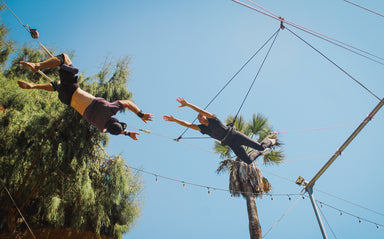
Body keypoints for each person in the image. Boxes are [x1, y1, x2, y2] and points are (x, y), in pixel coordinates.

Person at [17, 53, 153, 140]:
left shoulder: (109, 109)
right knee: (57, 85)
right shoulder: (101, 127)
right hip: (66, 99)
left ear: (114, 119)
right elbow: (113, 130)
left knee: (64, 58)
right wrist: (128, 134)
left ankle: (37, 66)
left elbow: (128, 103)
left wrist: (141, 114)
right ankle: (33, 86)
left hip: (73, 90)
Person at [163, 97, 278, 164]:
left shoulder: (213, 119)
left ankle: (270, 141)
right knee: (248, 161)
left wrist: (188, 104)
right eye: (199, 117)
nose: (200, 117)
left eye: (201, 115)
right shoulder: (203, 128)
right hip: (231, 143)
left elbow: (201, 110)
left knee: (261, 147)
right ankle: (260, 151)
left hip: (236, 136)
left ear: (205, 116)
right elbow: (188, 124)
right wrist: (175, 120)